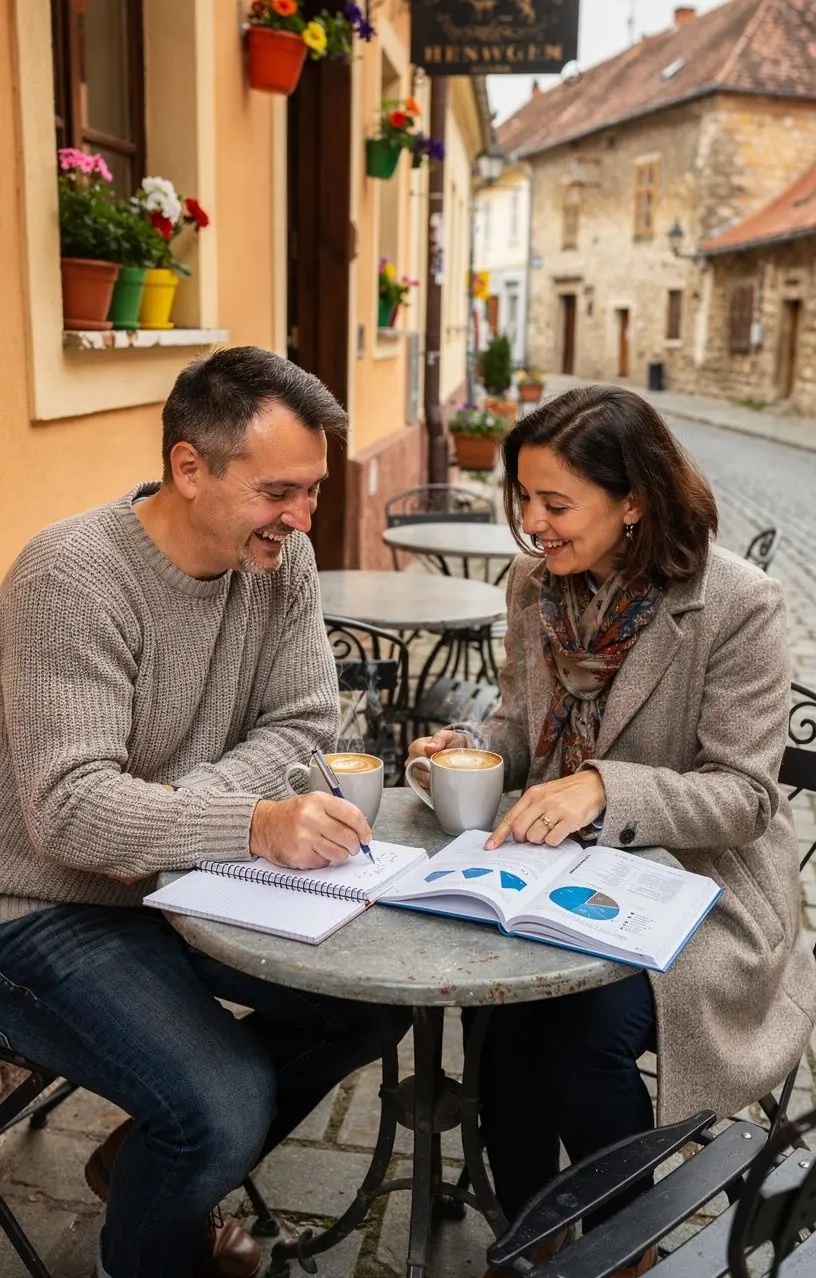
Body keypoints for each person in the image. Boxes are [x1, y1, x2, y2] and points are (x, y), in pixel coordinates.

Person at [0, 347, 394, 1278]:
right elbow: (70, 814)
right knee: (220, 1102)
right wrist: (251, 821)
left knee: (370, 1008)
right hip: (43, 907)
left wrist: (192, 811)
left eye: (312, 490)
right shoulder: (71, 577)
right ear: (189, 467)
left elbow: (304, 718)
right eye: (278, 492)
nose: (302, 520)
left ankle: (143, 1167)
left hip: (190, 877)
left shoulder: (277, 558)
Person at [408, 385, 816, 1278]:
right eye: (523, 498)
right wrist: (466, 753)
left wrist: (601, 787)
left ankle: (624, 1244)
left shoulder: (736, 604)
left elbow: (746, 798)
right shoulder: (535, 587)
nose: (532, 526)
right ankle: (531, 1235)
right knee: (501, 1006)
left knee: (582, 1026)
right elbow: (520, 734)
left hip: (706, 889)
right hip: (559, 872)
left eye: (557, 505)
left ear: (634, 501)